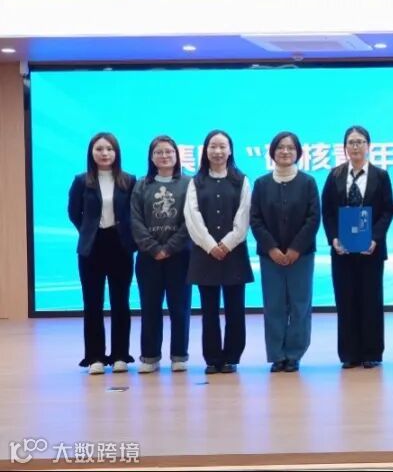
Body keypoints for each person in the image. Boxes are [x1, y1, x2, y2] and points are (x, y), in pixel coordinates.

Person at [322, 125, 393, 369]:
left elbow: (387, 211)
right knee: (346, 300)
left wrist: (375, 238)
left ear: (368, 146)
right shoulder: (334, 175)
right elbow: (327, 212)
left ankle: (371, 352)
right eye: (351, 142)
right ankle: (349, 354)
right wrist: (333, 238)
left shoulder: (381, 176)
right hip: (342, 251)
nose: (355, 146)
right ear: (344, 147)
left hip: (370, 250)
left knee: (371, 300)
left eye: (360, 142)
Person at [250, 131, 320, 373]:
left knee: (300, 305)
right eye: (280, 147)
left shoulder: (308, 182)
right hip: (270, 257)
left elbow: (313, 218)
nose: (285, 151)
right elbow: (255, 219)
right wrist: (272, 248)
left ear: (298, 152)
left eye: (290, 148)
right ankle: (277, 355)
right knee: (274, 306)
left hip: (302, 255)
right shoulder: (261, 184)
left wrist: (295, 249)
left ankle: (294, 354)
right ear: (272, 152)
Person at [184, 129, 253, 375]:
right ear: (206, 151)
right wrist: (210, 245)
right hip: (205, 255)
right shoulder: (196, 181)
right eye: (213, 146)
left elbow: (244, 215)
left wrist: (227, 243)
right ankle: (212, 358)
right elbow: (192, 216)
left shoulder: (241, 180)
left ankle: (232, 357)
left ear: (230, 150)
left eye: (223, 146)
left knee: (235, 309)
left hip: (234, 254)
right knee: (209, 310)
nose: (218, 151)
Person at [67, 132, 137, 375]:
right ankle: (94, 356)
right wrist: (88, 231)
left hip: (120, 246)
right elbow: (74, 212)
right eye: (99, 149)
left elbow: (133, 213)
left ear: (116, 153)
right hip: (92, 247)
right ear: (91, 153)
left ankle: (120, 355)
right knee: (92, 303)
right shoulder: (81, 180)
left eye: (109, 149)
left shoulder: (128, 180)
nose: (104, 153)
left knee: (121, 302)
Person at [130, 135, 192, 374]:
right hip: (149, 258)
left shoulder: (189, 184)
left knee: (180, 308)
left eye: (169, 152)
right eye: (159, 152)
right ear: (151, 157)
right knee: (150, 308)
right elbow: (135, 220)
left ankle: (179, 355)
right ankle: (150, 356)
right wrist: (154, 248)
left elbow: (191, 221)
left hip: (181, 257)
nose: (164, 156)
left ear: (177, 155)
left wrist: (170, 247)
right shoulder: (141, 185)